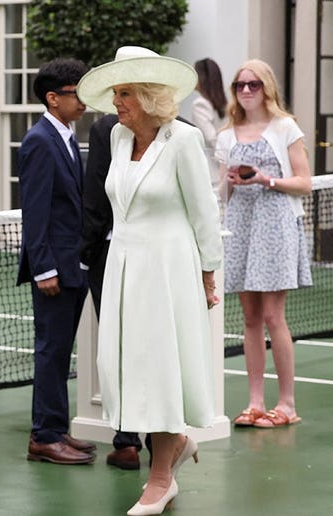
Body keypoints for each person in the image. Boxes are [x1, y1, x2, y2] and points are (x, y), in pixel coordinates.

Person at [77, 46, 223, 515]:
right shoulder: (118, 139)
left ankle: (161, 479)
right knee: (131, 366)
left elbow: (204, 213)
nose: (116, 102)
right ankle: (175, 442)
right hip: (122, 266)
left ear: (149, 97)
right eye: (116, 93)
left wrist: (207, 274)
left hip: (169, 271)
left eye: (125, 94)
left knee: (160, 368)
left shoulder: (183, 140)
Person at [217, 59, 312, 429]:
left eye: (253, 84)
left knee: (274, 317)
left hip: (276, 225)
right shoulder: (226, 136)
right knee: (251, 319)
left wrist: (265, 180)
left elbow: (303, 182)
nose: (245, 91)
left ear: (267, 87)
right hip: (240, 226)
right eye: (240, 85)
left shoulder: (285, 127)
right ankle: (255, 402)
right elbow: (220, 191)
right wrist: (230, 181)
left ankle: (287, 404)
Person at [16, 58, 97, 466]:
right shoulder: (40, 141)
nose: (83, 101)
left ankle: (55, 427)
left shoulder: (64, 136)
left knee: (61, 350)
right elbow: (35, 210)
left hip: (71, 265)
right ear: (53, 98)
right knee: (51, 351)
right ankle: (44, 436)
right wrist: (44, 267)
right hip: (55, 269)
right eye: (75, 93)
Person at [81, 113, 146, 470]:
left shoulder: (105, 128)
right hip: (146, 254)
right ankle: (155, 438)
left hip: (112, 254)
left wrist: (86, 252)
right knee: (147, 346)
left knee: (119, 346)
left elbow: (94, 195)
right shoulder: (180, 127)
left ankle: (126, 441)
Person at [191, 58, 229, 202]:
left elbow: (211, 138)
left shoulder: (199, 104)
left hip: (209, 171)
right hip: (222, 171)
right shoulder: (224, 103)